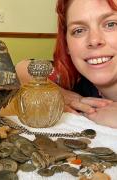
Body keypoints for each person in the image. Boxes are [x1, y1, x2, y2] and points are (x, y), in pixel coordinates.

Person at [15, 0, 117, 128]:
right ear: (67, 45)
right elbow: (22, 68)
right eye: (79, 30)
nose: (94, 40)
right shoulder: (78, 82)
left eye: (111, 24)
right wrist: (60, 95)